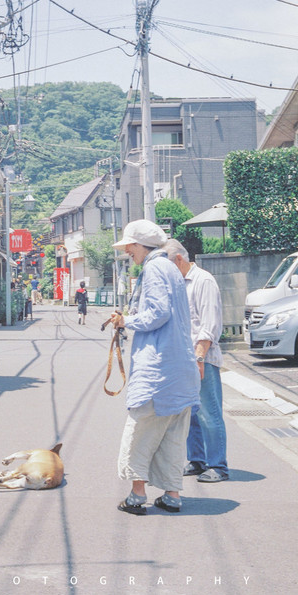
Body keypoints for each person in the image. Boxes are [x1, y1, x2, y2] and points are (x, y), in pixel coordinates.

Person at [109, 220, 200, 515]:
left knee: (140, 431)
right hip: (179, 368)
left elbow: (158, 313)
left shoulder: (154, 268)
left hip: (158, 371)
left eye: (129, 248)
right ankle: (172, 495)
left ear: (137, 245)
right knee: (172, 436)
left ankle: (137, 496)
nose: (128, 254)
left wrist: (126, 321)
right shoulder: (171, 268)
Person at [163, 238, 229, 483]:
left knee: (209, 413)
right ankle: (198, 460)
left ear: (179, 259)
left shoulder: (204, 281)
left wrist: (199, 357)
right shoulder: (178, 283)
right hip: (183, 360)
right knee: (189, 413)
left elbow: (209, 325)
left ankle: (218, 466)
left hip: (202, 358)